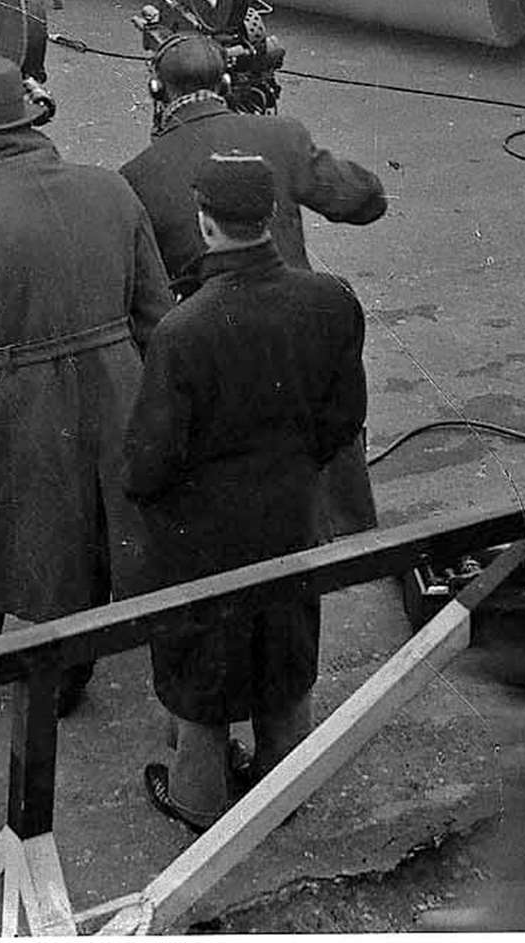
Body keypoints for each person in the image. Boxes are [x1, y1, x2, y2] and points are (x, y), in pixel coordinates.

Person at [0, 57, 174, 718]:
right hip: (116, 392)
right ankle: (65, 686)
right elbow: (157, 314)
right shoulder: (112, 190)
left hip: (19, 404)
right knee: (87, 542)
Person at [125, 155, 367, 831]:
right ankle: (282, 789)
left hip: (201, 536)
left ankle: (200, 803)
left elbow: (148, 460)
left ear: (206, 223)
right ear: (268, 217)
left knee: (203, 675)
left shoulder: (183, 329)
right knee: (285, 658)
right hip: (292, 515)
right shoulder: (330, 299)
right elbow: (344, 421)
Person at [118, 33, 384, 538]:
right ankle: (345, 534)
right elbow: (366, 200)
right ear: (224, 82)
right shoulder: (281, 137)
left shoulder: (138, 176)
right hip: (303, 333)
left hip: (217, 352)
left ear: (157, 90)